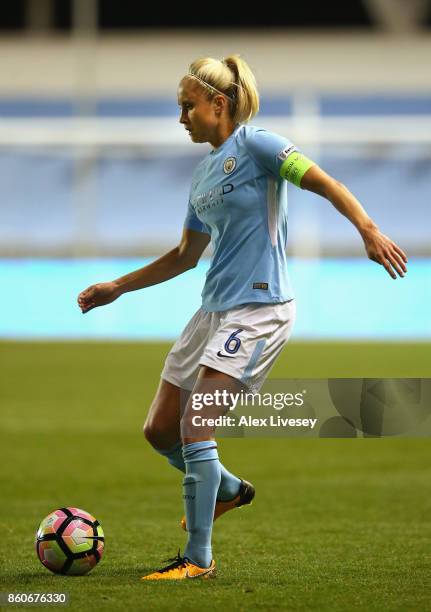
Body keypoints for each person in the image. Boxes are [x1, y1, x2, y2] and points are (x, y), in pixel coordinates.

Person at [77, 54, 407, 580]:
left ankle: (197, 559)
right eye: (179, 107)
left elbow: (323, 182)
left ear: (219, 104)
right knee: (159, 429)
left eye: (188, 106)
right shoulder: (202, 175)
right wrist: (119, 286)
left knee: (195, 425)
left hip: (260, 309)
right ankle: (229, 489)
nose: (181, 117)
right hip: (212, 311)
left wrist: (367, 229)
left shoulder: (259, 145)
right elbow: (185, 255)